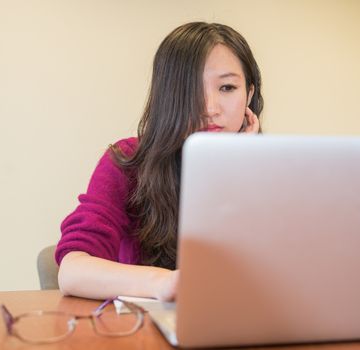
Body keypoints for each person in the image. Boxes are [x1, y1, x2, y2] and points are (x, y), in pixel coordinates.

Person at [56, 22, 264, 301]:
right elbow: (72, 271)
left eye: (227, 87)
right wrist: (164, 283)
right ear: (168, 95)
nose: (210, 108)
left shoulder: (268, 167)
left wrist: (240, 169)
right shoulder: (129, 161)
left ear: (248, 94)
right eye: (190, 90)